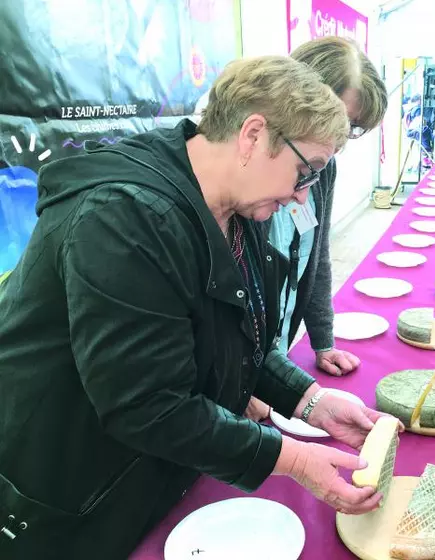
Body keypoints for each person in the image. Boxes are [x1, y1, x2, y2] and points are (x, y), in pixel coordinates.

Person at [0, 56, 393, 560]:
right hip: (74, 497)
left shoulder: (234, 200)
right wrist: (292, 460)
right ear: (253, 135)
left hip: (154, 476)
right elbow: (147, 404)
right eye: (305, 172)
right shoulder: (125, 218)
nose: (301, 195)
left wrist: (309, 401)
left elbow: (238, 336)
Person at [245, 37, 388, 422]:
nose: (339, 141)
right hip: (244, 366)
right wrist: (244, 383)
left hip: (272, 357)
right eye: (340, 120)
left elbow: (315, 258)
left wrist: (322, 341)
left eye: (352, 129)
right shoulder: (245, 179)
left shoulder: (322, 168)